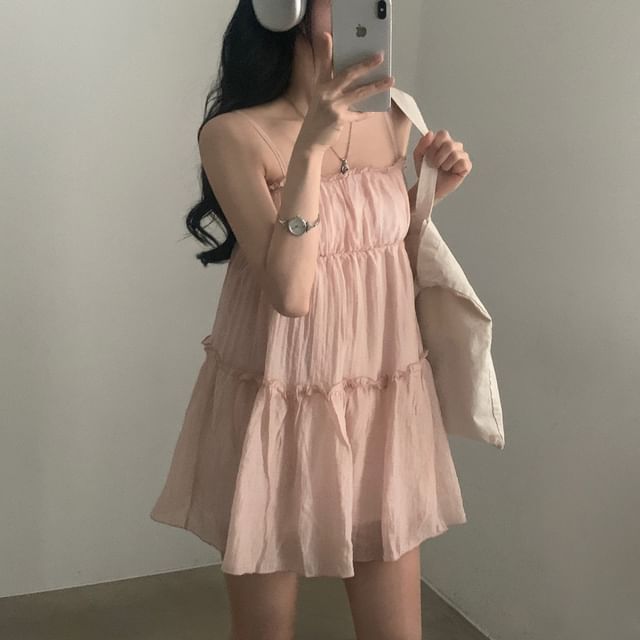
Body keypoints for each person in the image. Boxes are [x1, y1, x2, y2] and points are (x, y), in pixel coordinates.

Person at [150, 1, 474, 638]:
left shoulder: (393, 120)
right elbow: (292, 292)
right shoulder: (234, 136)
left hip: (380, 391)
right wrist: (309, 149)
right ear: (284, 12)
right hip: (283, 394)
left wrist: (431, 192)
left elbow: (375, 254)